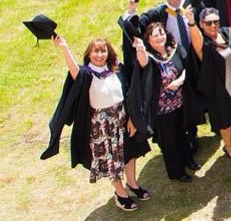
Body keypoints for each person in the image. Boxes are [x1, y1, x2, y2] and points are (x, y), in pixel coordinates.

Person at [43, 34, 151, 211]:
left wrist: (132, 117)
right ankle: (120, 192)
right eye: (96, 51)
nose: (99, 55)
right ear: (89, 54)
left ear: (108, 53)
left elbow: (129, 94)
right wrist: (64, 48)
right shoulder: (86, 74)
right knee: (112, 159)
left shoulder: (117, 71)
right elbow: (74, 70)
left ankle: (132, 183)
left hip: (123, 118)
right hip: (102, 126)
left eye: (103, 51)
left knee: (130, 152)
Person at [123, 21, 194, 182]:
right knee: (170, 141)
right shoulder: (149, 57)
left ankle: (189, 160)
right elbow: (142, 62)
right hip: (162, 109)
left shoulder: (173, 49)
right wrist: (140, 48)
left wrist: (180, 81)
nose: (160, 37)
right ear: (148, 39)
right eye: (155, 35)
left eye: (161, 33)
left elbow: (187, 67)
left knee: (184, 133)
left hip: (180, 103)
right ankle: (176, 171)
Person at [189, 7, 231, 161]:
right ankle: (229, 147)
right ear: (201, 24)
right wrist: (191, 23)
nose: (213, 25)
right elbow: (197, 44)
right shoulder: (204, 44)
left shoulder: (227, 33)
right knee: (225, 119)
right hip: (219, 88)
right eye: (208, 23)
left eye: (216, 21)